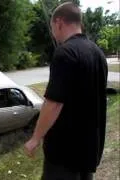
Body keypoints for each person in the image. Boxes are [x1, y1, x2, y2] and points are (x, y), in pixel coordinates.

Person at [24, 2, 108, 180]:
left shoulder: (65, 53)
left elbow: (53, 103)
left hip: (64, 153)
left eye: (52, 26)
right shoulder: (98, 53)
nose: (53, 32)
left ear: (59, 22)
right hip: (89, 149)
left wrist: (35, 138)